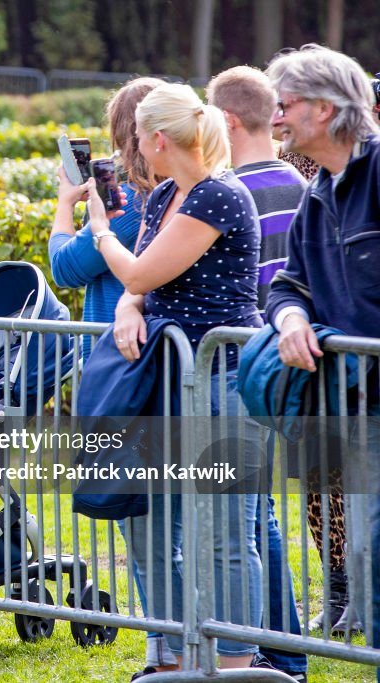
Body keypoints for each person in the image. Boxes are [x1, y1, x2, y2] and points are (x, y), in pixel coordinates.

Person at [88, 83, 267, 677]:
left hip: (220, 384)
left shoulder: (219, 197)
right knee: (148, 528)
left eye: (139, 134)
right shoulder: (166, 192)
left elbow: (139, 269)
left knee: (223, 533)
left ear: (159, 139)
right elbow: (139, 288)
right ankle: (171, 657)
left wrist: (100, 232)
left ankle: (237, 662)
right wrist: (125, 309)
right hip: (164, 383)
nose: (134, 144)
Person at [48, 76, 179, 672]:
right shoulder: (157, 199)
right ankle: (170, 642)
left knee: (148, 524)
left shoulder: (130, 207)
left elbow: (66, 267)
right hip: (138, 367)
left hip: (124, 371)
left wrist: (65, 204)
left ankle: (168, 643)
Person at [264, 43, 380, 682]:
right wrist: (292, 318)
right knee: (371, 570)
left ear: (327, 108)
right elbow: (289, 285)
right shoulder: (319, 194)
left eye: (284, 105)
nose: (275, 117)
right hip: (356, 410)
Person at [207, 64, 310, 682]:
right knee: (258, 516)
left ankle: (279, 653)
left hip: (250, 367)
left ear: (224, 120)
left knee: (251, 522)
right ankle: (284, 649)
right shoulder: (299, 187)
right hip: (280, 366)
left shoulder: (233, 192)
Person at [48, 77, 164, 362]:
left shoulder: (126, 202)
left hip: (118, 358)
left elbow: (64, 269)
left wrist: (66, 202)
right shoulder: (180, 191)